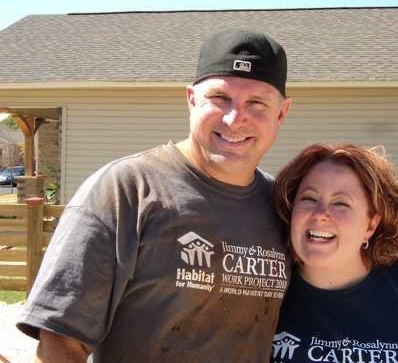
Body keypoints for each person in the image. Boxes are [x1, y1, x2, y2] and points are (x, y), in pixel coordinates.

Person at [17, 29, 292, 362]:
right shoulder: (126, 190)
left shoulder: (284, 208)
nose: (235, 118)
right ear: (191, 99)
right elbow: (59, 339)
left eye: (257, 103)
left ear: (281, 113)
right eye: (220, 98)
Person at [270, 143, 398, 363]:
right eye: (309, 199)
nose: (320, 214)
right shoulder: (267, 292)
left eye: (341, 203)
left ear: (371, 225)